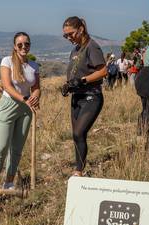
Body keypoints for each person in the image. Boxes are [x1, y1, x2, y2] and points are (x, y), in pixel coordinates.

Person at [0, 32, 40, 189]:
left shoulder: (34, 65)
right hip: (9, 104)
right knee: (1, 147)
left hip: (26, 109)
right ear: (15, 47)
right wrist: (24, 98)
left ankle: (9, 182)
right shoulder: (7, 61)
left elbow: (36, 87)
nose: (24, 47)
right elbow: (6, 86)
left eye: (27, 44)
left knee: (17, 148)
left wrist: (35, 97)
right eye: (20, 45)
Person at [61, 16, 107, 177]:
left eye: (71, 34)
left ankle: (78, 171)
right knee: (76, 135)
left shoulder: (91, 46)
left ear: (80, 29)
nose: (68, 38)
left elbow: (103, 71)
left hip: (91, 96)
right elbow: (75, 72)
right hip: (77, 97)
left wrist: (82, 80)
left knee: (78, 133)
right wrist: (69, 85)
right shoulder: (75, 49)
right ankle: (78, 167)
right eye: (65, 36)